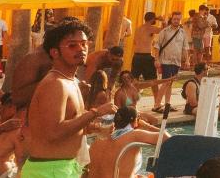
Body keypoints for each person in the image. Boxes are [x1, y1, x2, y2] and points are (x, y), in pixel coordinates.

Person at [25, 22, 117, 178]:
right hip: (48, 170)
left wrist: (94, 129)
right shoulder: (55, 84)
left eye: (84, 43)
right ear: (55, 52)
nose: (81, 49)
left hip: (63, 167)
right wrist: (96, 112)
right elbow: (53, 133)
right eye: (72, 46)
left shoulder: (71, 81)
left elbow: (69, 126)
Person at [86, 104, 165, 178]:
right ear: (135, 121)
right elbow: (169, 139)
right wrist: (148, 126)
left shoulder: (99, 139)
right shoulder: (135, 135)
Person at [154, 11, 190, 112]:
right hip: (165, 60)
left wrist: (187, 60)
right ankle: (156, 105)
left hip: (176, 62)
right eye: (175, 19)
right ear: (171, 19)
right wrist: (157, 60)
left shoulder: (183, 32)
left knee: (170, 83)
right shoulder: (165, 31)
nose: (176, 21)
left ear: (180, 20)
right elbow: (157, 46)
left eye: (178, 19)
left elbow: (185, 48)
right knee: (166, 82)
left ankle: (167, 104)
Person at [130, 12, 161, 86]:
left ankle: (132, 96)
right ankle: (157, 98)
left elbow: (135, 42)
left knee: (134, 80)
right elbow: (165, 30)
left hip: (136, 56)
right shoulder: (150, 28)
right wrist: (162, 20)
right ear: (152, 19)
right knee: (153, 81)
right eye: (155, 19)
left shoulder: (138, 28)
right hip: (146, 56)